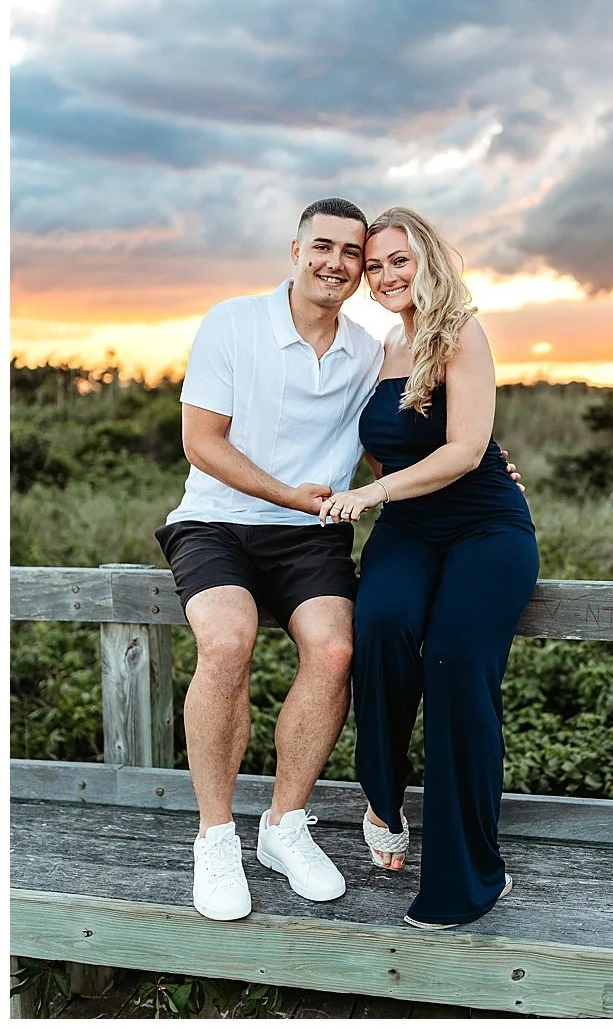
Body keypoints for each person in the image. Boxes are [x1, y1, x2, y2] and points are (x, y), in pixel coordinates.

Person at [155, 198, 384, 921]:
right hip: (216, 522)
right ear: (294, 250)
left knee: (337, 648)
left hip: (311, 533)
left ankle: (284, 825)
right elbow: (202, 442)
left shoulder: (369, 349)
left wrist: (482, 462)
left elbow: (393, 438)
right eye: (323, 246)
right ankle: (215, 835)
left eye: (352, 252)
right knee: (227, 642)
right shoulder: (233, 322)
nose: (335, 263)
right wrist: (287, 491)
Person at [318, 206, 539, 929]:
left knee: (451, 661)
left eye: (398, 260)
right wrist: (379, 485)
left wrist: (372, 492)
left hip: (484, 527)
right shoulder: (384, 343)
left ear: (429, 259)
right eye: (374, 265)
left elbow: (466, 450)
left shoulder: (460, 331)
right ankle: (383, 800)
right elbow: (391, 444)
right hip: (411, 526)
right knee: (377, 623)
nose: (384, 276)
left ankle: (472, 875)